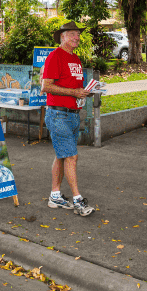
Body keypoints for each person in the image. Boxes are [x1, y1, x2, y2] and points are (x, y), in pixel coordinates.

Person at [42, 21, 94, 216]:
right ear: (62, 37)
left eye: (78, 34)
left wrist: (87, 92)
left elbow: (74, 88)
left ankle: (55, 196)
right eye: (72, 34)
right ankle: (78, 200)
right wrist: (74, 92)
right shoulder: (55, 56)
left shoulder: (76, 59)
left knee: (62, 155)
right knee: (71, 156)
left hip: (72, 115)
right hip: (58, 114)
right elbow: (46, 86)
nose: (77, 37)